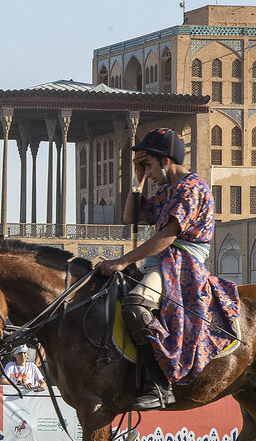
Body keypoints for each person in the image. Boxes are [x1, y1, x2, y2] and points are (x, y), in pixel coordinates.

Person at [96, 128, 241, 411]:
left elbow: (166, 237)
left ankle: (159, 385)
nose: (146, 171)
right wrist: (137, 182)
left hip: (180, 265)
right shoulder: (166, 191)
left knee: (136, 306)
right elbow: (130, 216)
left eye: (148, 165)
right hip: (162, 263)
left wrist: (123, 261)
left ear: (165, 161)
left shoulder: (191, 188)